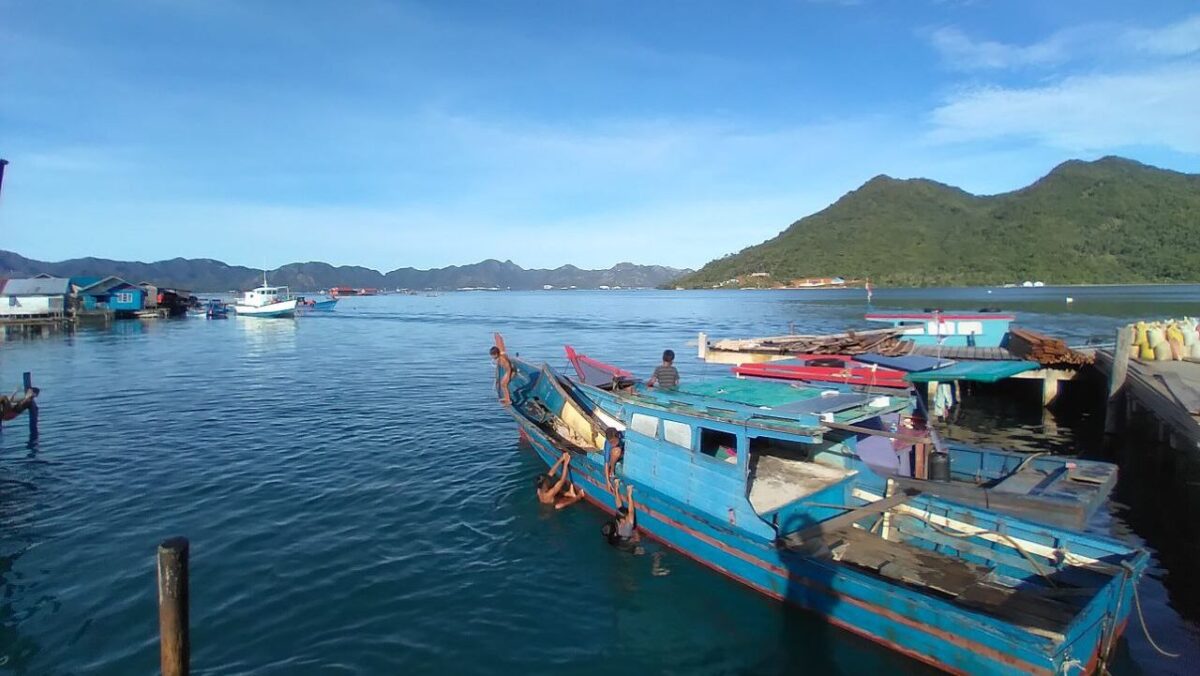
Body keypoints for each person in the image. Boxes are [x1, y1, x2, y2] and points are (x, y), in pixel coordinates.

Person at [602, 482, 639, 548]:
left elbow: (630, 511)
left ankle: (617, 488)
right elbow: (630, 511)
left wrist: (629, 493)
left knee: (621, 510)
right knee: (620, 509)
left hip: (624, 532)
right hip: (625, 534)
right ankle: (616, 486)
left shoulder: (612, 536)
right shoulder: (625, 530)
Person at [603, 427, 624, 493]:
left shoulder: (623, 435)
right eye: (610, 442)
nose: (612, 444)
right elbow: (606, 463)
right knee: (616, 451)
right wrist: (607, 481)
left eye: (613, 441)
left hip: (624, 453)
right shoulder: (608, 443)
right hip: (615, 455)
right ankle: (612, 472)